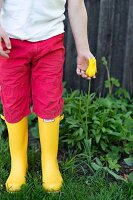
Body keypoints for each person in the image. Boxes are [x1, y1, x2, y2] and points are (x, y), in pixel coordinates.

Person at [0, 0, 95, 192]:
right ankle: (18, 164)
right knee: (13, 100)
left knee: (49, 101)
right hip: (10, 41)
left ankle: (49, 163)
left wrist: (84, 50)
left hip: (50, 42)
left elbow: (76, 5)